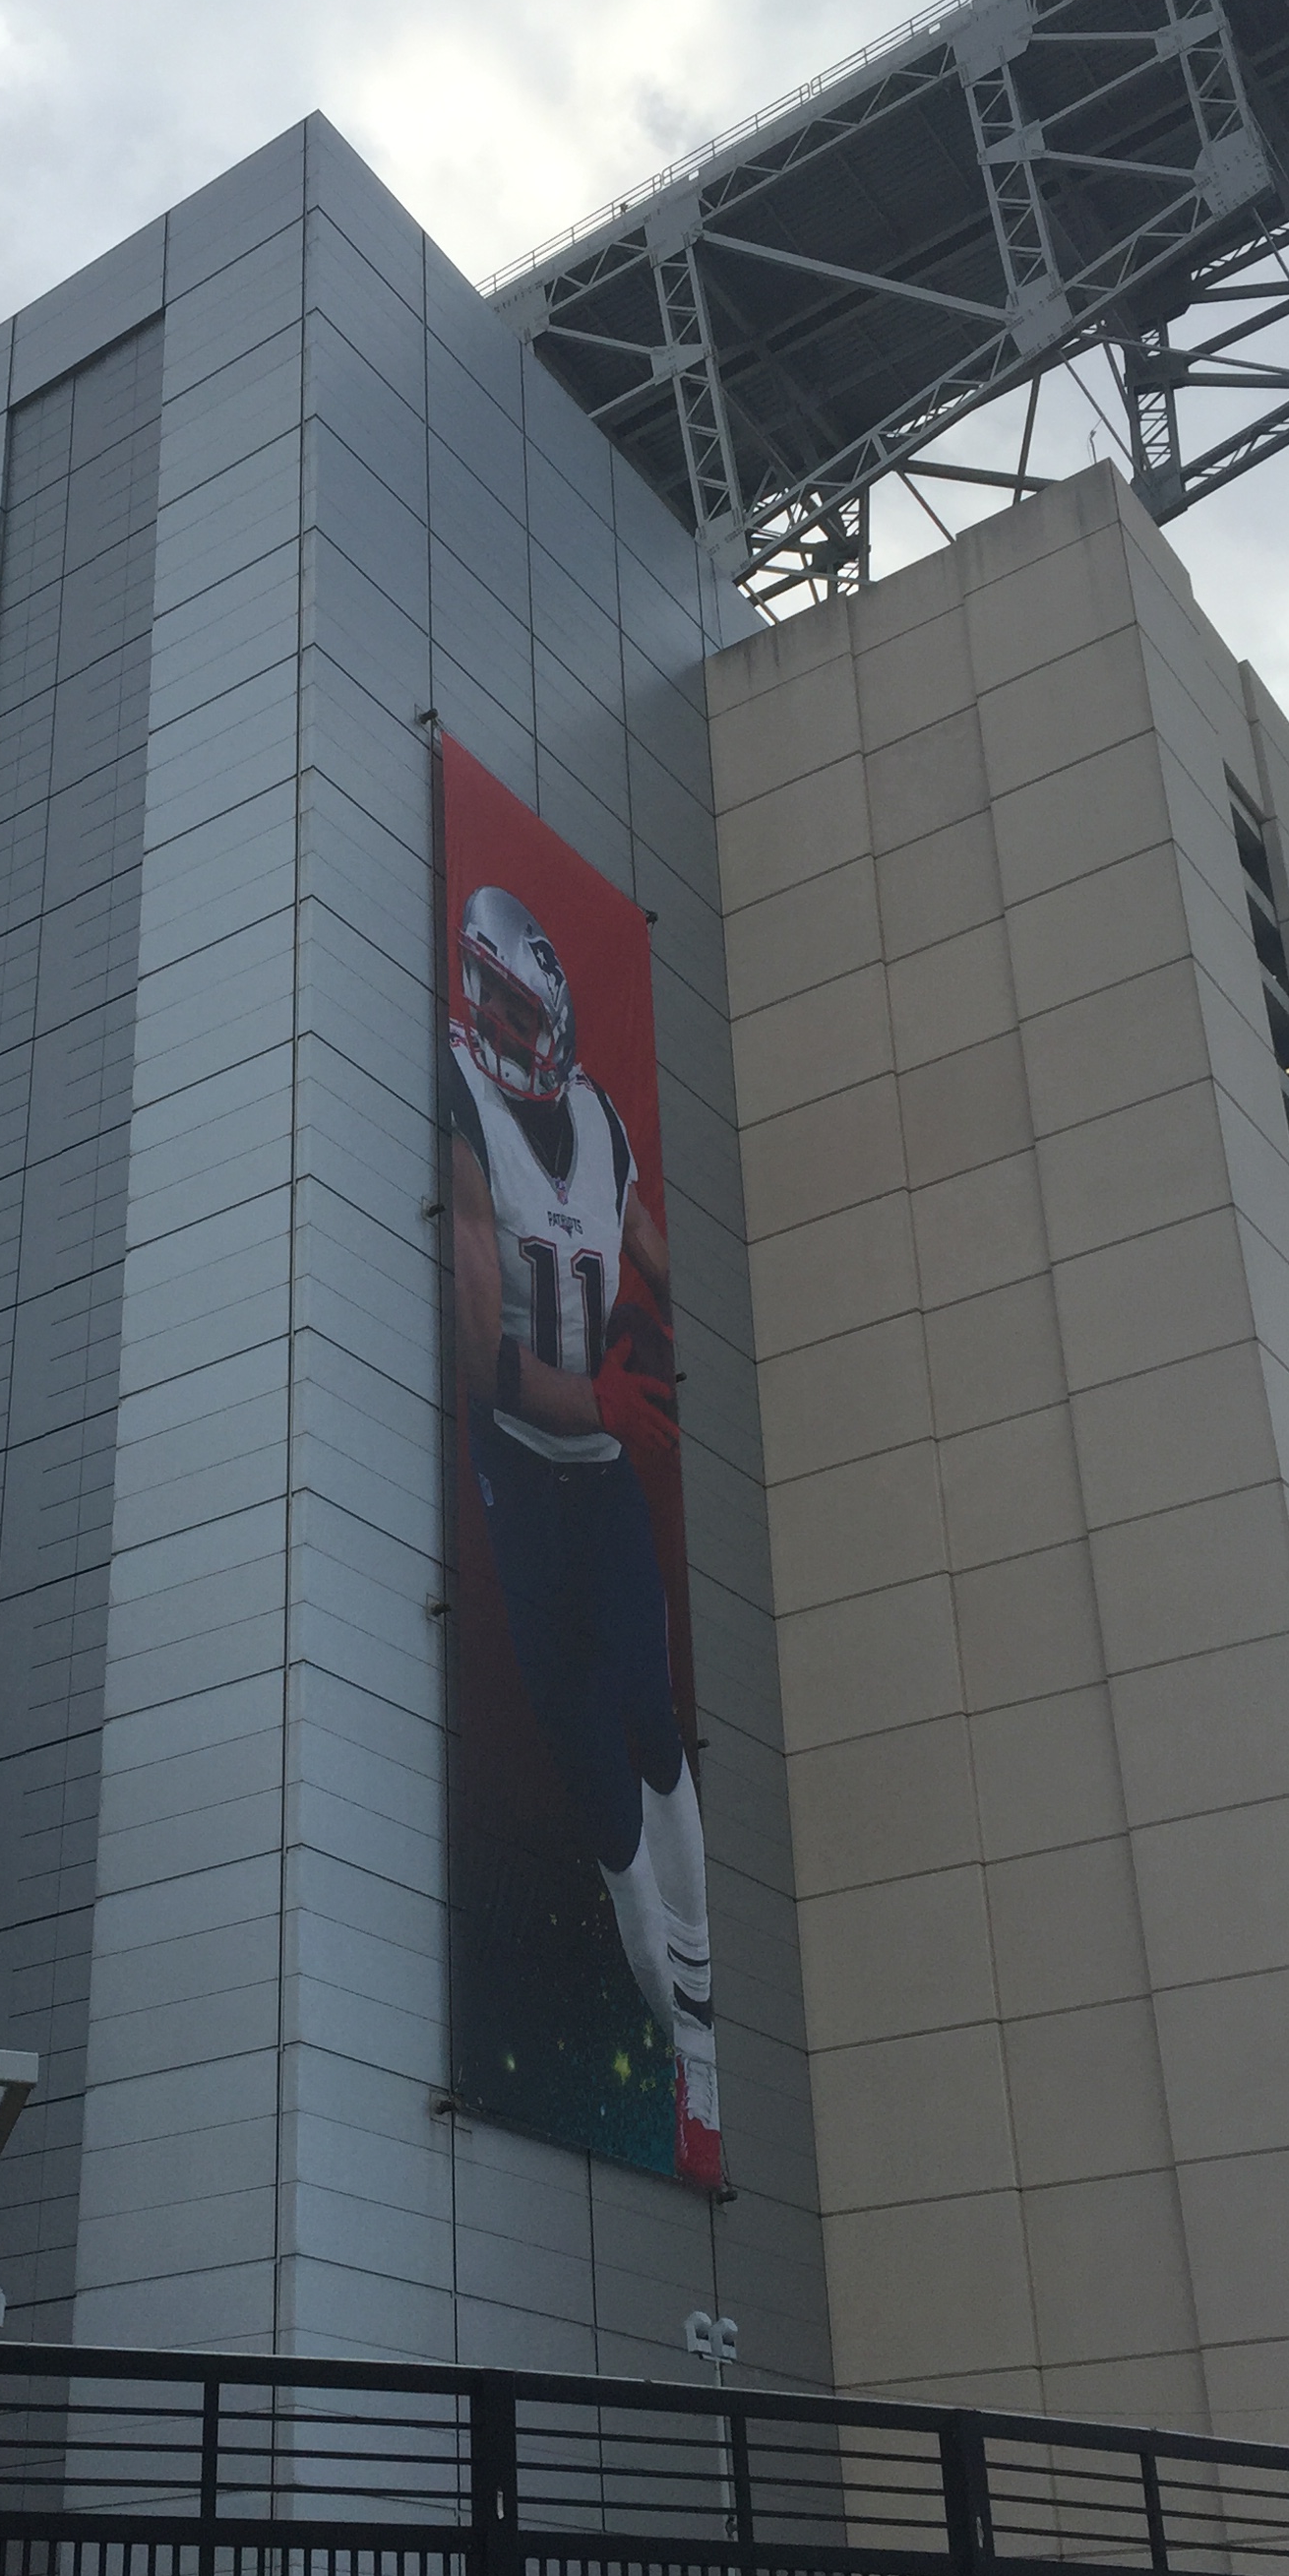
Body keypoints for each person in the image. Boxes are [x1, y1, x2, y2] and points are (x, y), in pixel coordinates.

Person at [447, 883, 722, 2187]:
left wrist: (678, 1355)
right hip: (523, 1474)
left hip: (601, 1476)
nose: (506, 1026)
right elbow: (482, 1356)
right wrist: (609, 1396)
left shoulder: (601, 1121)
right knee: (600, 1790)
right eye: (492, 1001)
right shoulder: (463, 1106)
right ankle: (676, 2032)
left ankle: (704, 2047)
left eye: (521, 1007)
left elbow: (661, 1267)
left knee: (655, 1723)